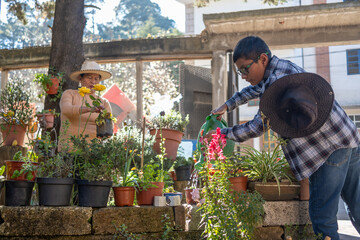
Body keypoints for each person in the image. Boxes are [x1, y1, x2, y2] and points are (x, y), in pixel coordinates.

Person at [206, 36, 360, 240]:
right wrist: (228, 105)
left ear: (262, 59)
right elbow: (254, 88)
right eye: (239, 71)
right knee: (357, 205)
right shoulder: (280, 68)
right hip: (346, 137)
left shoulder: (275, 84)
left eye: (245, 69)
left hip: (328, 150)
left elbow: (256, 127)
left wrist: (221, 134)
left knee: (322, 217)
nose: (243, 76)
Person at [58, 60, 112, 151]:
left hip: (94, 152)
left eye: (96, 79)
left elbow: (108, 130)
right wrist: (90, 109)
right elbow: (66, 110)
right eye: (89, 78)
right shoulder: (69, 94)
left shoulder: (103, 102)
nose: (93, 82)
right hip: (69, 151)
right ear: (80, 78)